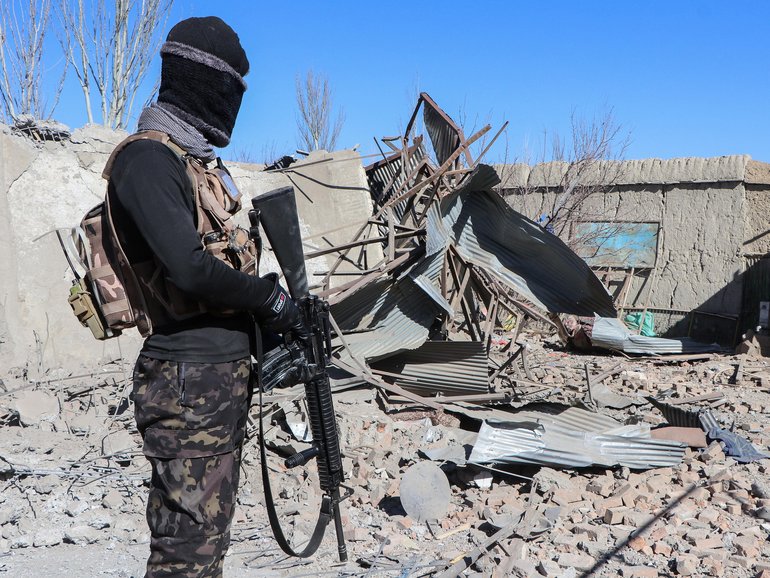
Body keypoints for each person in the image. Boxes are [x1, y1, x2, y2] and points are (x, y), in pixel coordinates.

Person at [105, 16, 306, 577]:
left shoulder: (190, 161)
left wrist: (274, 328)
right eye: (229, 90)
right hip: (185, 381)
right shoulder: (147, 159)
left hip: (216, 379)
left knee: (208, 541)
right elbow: (190, 270)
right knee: (184, 550)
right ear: (203, 82)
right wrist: (268, 301)